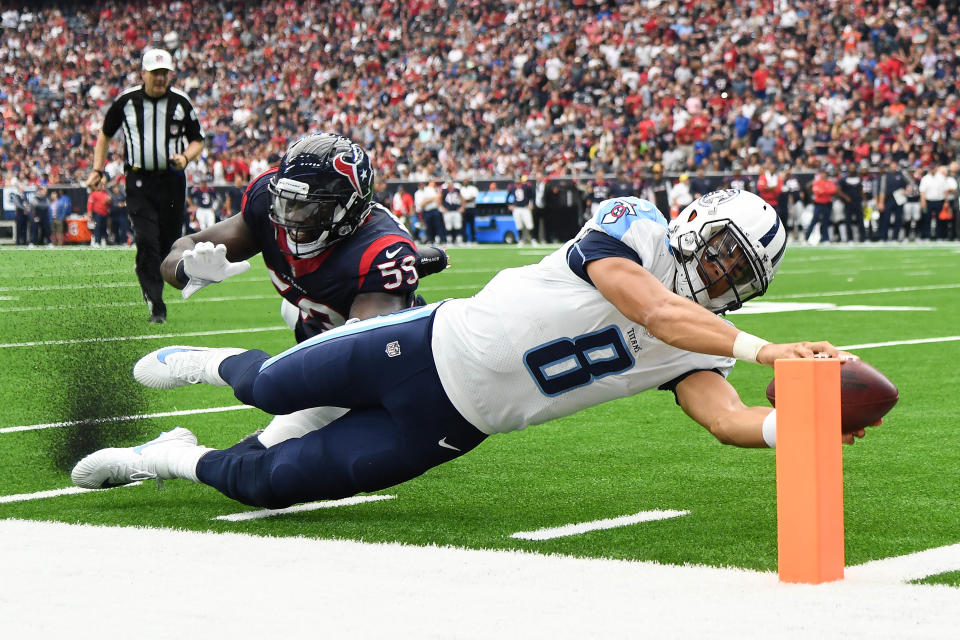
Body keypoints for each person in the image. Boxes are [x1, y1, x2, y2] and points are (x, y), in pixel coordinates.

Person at [72, 190, 867, 508]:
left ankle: (167, 454)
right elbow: (649, 306)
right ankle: (205, 366)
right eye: (726, 250)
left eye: (740, 272)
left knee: (268, 483)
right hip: (423, 342)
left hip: (455, 423)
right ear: (700, 217)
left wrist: (791, 426)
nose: (723, 272)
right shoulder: (640, 227)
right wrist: (770, 352)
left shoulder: (709, 347)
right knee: (273, 390)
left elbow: (725, 418)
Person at [153, 132, 448, 447]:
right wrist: (188, 268)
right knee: (292, 308)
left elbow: (355, 363)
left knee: (269, 452)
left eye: (307, 208)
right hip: (319, 319)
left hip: (380, 357)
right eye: (287, 202)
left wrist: (257, 379)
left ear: (347, 209)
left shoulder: (379, 252)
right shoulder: (269, 203)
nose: (290, 217)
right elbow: (180, 250)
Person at [85, 48, 205, 323]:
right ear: (144, 74)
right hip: (139, 180)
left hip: (172, 181)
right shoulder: (126, 102)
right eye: (155, 73)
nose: (160, 78)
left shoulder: (180, 102)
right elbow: (104, 135)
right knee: (146, 239)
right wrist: (97, 169)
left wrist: (185, 157)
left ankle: (152, 279)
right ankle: (156, 303)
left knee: (169, 242)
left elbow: (198, 139)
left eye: (164, 73)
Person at [876, 158, 910, 242]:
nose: (893, 167)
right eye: (892, 166)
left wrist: (906, 191)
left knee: (898, 219)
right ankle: (883, 237)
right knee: (885, 219)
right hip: (888, 199)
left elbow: (910, 184)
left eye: (895, 166)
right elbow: (882, 190)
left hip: (899, 199)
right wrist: (881, 202)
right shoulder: (885, 176)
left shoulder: (901, 175)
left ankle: (895, 237)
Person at [838, 163, 867, 242]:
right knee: (848, 220)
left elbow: (861, 190)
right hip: (848, 203)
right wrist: (845, 197)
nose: (852, 169)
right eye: (851, 168)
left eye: (853, 168)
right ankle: (849, 238)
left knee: (860, 220)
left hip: (858, 201)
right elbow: (838, 190)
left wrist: (864, 200)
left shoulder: (859, 178)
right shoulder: (843, 179)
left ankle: (863, 238)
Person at [509, 175, 536, 245]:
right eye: (516, 183)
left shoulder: (526, 188)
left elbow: (532, 196)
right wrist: (510, 205)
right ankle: (521, 239)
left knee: (529, 224)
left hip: (525, 208)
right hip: (517, 208)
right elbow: (508, 197)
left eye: (519, 183)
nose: (517, 185)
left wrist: (531, 204)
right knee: (519, 225)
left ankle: (533, 239)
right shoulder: (512, 188)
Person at [86, 180, 111, 247]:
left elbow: (109, 205)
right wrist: (90, 214)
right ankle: (97, 241)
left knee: (104, 228)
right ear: (98, 186)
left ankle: (103, 241)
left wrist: (108, 202)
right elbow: (90, 204)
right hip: (97, 214)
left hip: (105, 214)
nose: (103, 186)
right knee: (97, 227)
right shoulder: (94, 194)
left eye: (103, 185)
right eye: (101, 185)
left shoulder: (106, 194)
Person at [439, 179, 464, 244]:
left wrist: (462, 207)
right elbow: (439, 200)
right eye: (448, 183)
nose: (450, 185)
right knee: (448, 226)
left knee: (458, 226)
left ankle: (459, 240)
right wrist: (442, 208)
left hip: (456, 210)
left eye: (451, 183)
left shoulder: (457, 190)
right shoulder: (444, 191)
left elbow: (462, 199)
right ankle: (449, 240)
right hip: (448, 211)